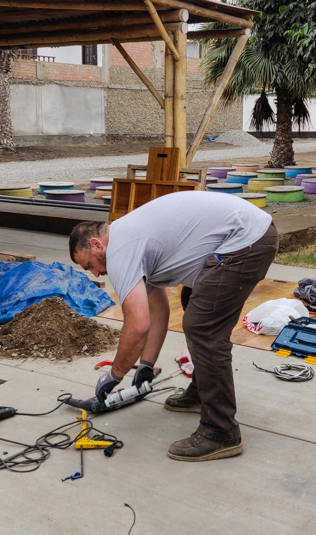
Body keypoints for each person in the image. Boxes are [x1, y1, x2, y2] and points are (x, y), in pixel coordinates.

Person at [69, 191, 278, 462]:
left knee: (203, 327)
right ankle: (203, 394)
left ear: (97, 245)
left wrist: (115, 376)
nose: (96, 273)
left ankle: (221, 431)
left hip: (245, 240)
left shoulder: (120, 250)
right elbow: (157, 312)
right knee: (192, 300)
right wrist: (146, 365)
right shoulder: (131, 240)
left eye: (90, 265)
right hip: (248, 234)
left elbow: (137, 325)